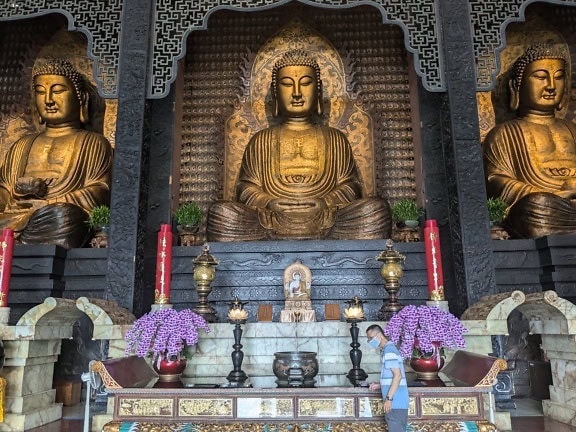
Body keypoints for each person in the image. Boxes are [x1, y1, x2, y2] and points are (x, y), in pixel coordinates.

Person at [207, 50, 391, 241]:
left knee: (375, 210)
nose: (296, 93)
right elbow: (245, 189)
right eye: (287, 84)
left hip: (326, 217)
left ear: (318, 91)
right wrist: (270, 202)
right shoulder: (260, 140)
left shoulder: (335, 138)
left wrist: (325, 202)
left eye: (305, 83)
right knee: (221, 213)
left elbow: (351, 186)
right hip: (272, 218)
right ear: (276, 93)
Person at [0, 59, 113, 248]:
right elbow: (4, 192)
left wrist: (47, 203)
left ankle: (15, 241)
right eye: (40, 92)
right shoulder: (21, 145)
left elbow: (99, 191)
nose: (49, 100)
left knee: (66, 216)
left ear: (81, 98)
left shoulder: (93, 142)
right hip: (16, 216)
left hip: (55, 218)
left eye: (58, 91)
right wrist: (17, 193)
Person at [483, 44, 576, 238]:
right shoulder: (504, 134)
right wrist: (551, 195)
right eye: (541, 77)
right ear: (516, 86)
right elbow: (496, 182)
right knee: (538, 205)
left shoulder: (572, 129)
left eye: (559, 77)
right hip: (541, 209)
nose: (551, 85)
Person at [366, 324, 409, 432]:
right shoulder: (388, 350)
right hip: (397, 402)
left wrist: (389, 399)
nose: (369, 341)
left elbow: (397, 376)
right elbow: (393, 377)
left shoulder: (389, 351)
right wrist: (380, 385)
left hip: (395, 402)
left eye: (371, 338)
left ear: (379, 335)